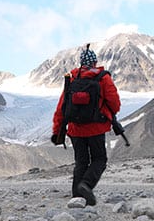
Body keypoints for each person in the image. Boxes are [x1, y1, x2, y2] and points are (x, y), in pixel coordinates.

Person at [51, 44, 120, 206]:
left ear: (81, 63)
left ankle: (77, 198)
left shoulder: (72, 78)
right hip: (96, 129)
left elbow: (62, 107)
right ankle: (86, 185)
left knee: (81, 162)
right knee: (99, 159)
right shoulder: (103, 78)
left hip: (75, 130)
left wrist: (57, 131)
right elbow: (115, 104)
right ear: (95, 62)